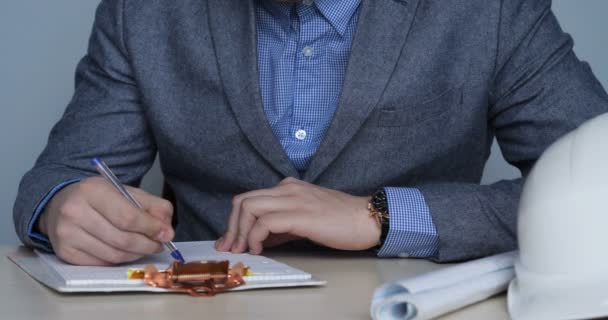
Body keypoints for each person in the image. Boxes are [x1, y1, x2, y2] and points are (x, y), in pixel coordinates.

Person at [13, 0, 608, 266]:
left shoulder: (493, 11)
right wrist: (59, 208)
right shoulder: (141, 11)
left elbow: (600, 191)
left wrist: (380, 215)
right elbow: (56, 176)